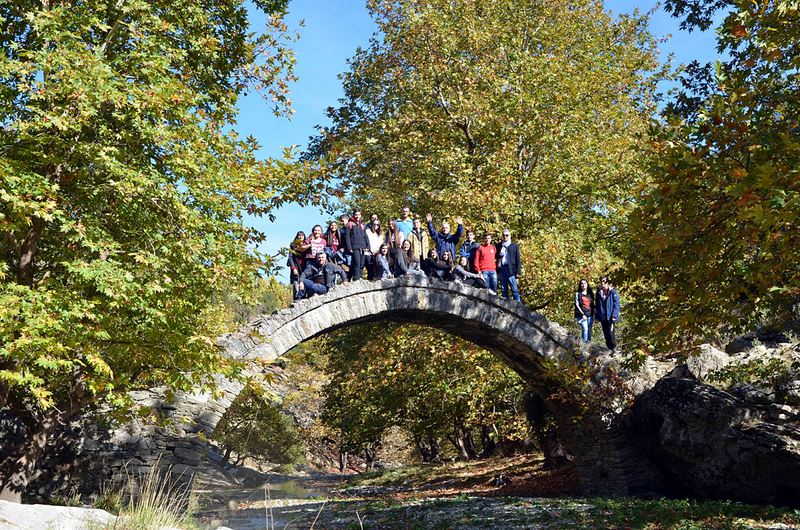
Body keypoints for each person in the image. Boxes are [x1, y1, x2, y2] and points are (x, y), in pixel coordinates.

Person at [594, 276, 621, 352]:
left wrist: (614, 315)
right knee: (606, 334)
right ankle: (609, 349)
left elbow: (617, 304)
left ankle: (613, 349)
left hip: (610, 317)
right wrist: (596, 316)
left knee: (611, 333)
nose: (603, 283)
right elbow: (597, 304)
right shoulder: (599, 291)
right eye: (601, 281)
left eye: (604, 281)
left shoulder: (613, 291)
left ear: (607, 282)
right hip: (603, 317)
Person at [343, 210, 370, 281]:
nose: (357, 216)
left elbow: (365, 237)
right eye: (356, 215)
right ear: (353, 215)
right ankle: (356, 279)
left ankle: (359, 278)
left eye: (359, 215)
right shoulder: (350, 224)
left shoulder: (362, 225)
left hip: (363, 247)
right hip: (355, 248)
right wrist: (349, 248)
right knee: (357, 264)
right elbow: (347, 237)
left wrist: (368, 246)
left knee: (362, 264)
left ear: (361, 216)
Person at [497, 229, 521, 301]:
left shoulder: (514, 246)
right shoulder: (499, 246)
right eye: (503, 235)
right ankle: (506, 306)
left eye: (507, 235)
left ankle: (518, 306)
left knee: (514, 289)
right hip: (502, 269)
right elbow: (496, 258)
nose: (505, 237)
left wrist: (518, 272)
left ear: (510, 236)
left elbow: (518, 259)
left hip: (511, 269)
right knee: (504, 289)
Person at [574, 279, 595, 343]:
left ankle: (588, 343)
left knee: (589, 329)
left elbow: (592, 305)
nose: (583, 285)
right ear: (580, 285)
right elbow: (577, 305)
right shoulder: (578, 294)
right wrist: (582, 314)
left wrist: (594, 314)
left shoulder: (590, 294)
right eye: (582, 283)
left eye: (585, 283)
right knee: (585, 329)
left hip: (590, 314)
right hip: (581, 315)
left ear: (587, 284)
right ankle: (584, 344)